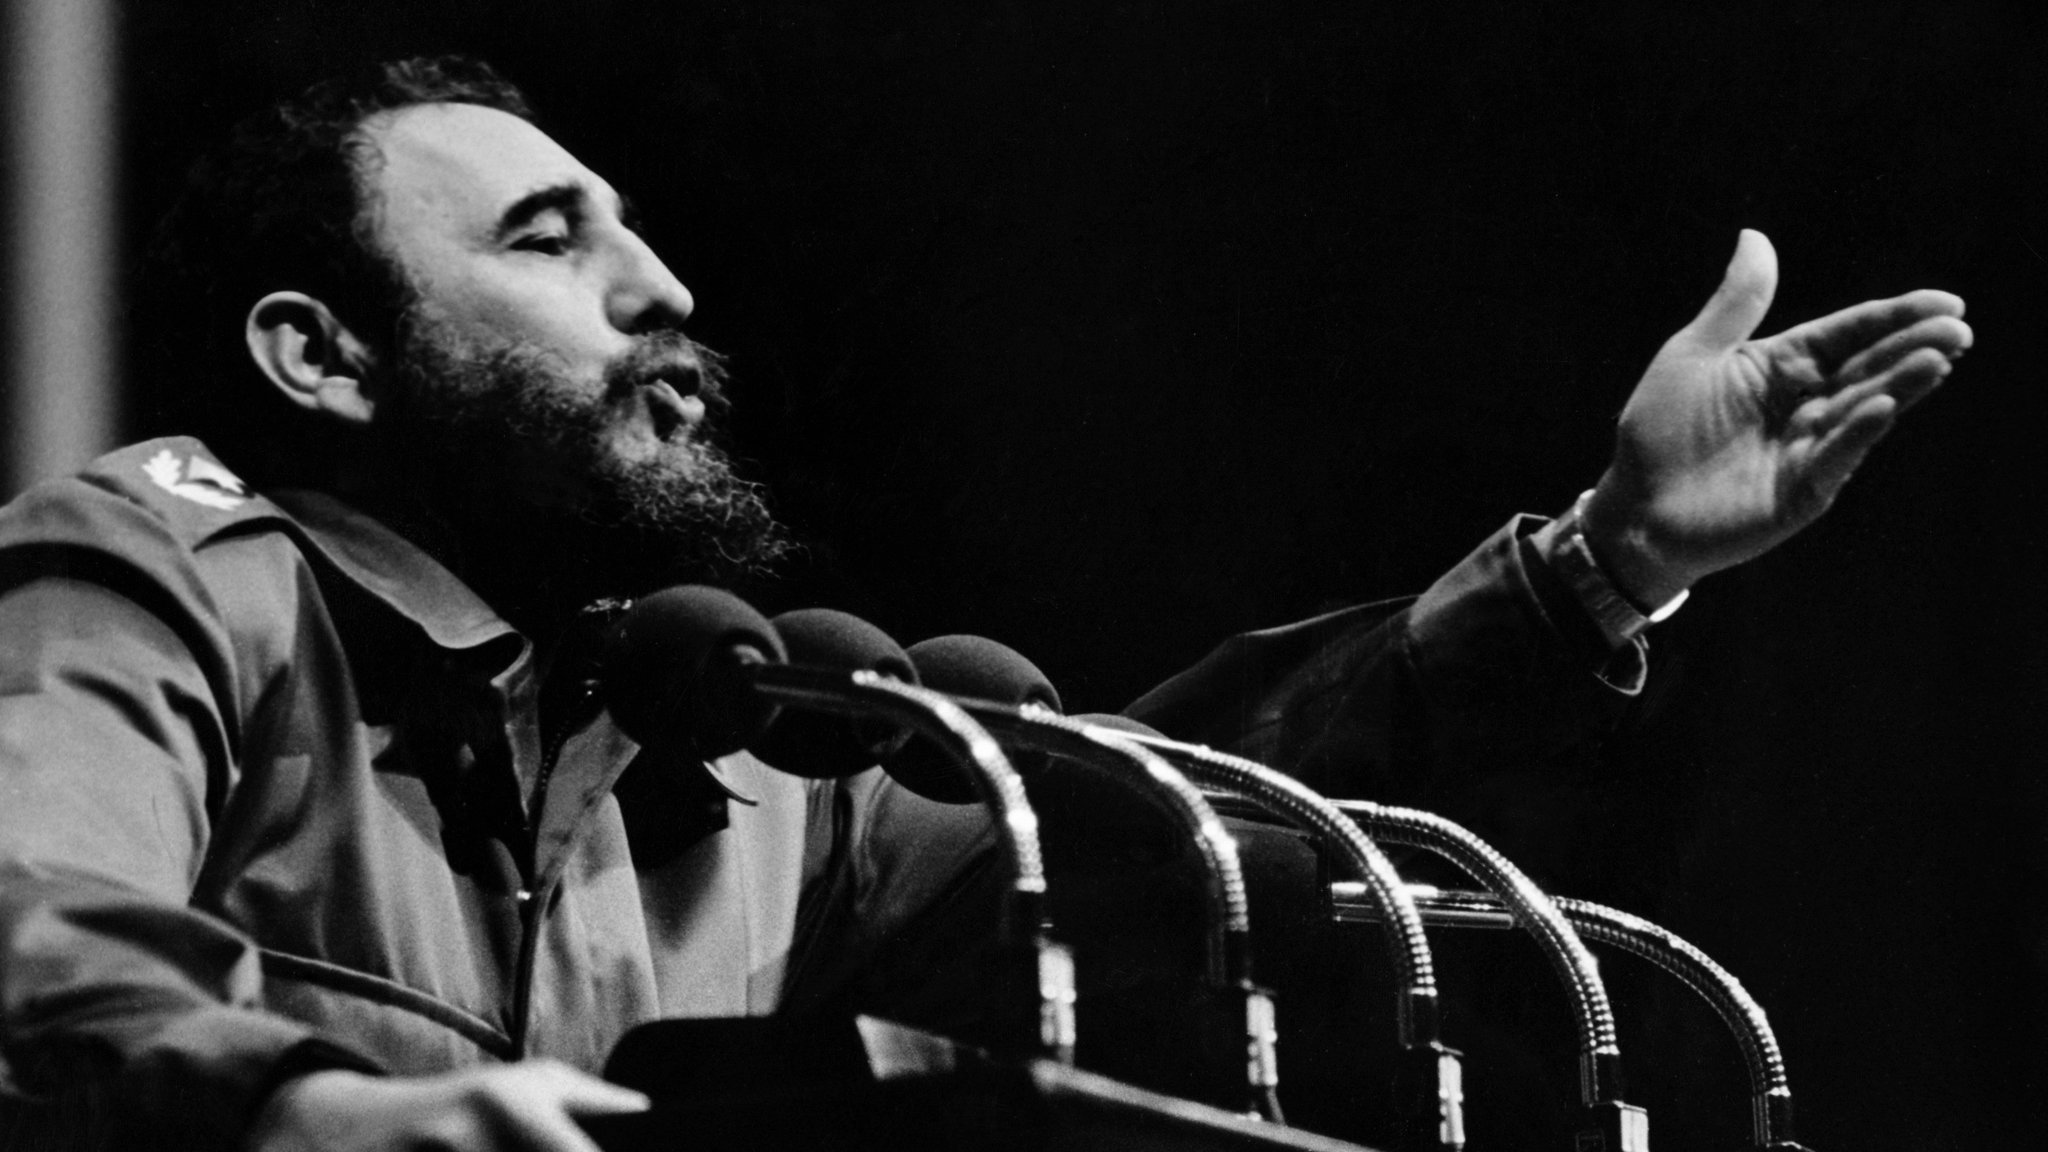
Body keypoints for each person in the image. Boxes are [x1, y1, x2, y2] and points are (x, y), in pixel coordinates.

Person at [0, 56, 1969, 1152]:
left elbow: (1152, 830)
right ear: (322, 356)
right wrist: (299, 1110)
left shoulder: (738, 761)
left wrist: (1601, 561)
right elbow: (27, 927)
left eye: (634, 230)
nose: (660, 286)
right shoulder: (173, 578)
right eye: (547, 239)